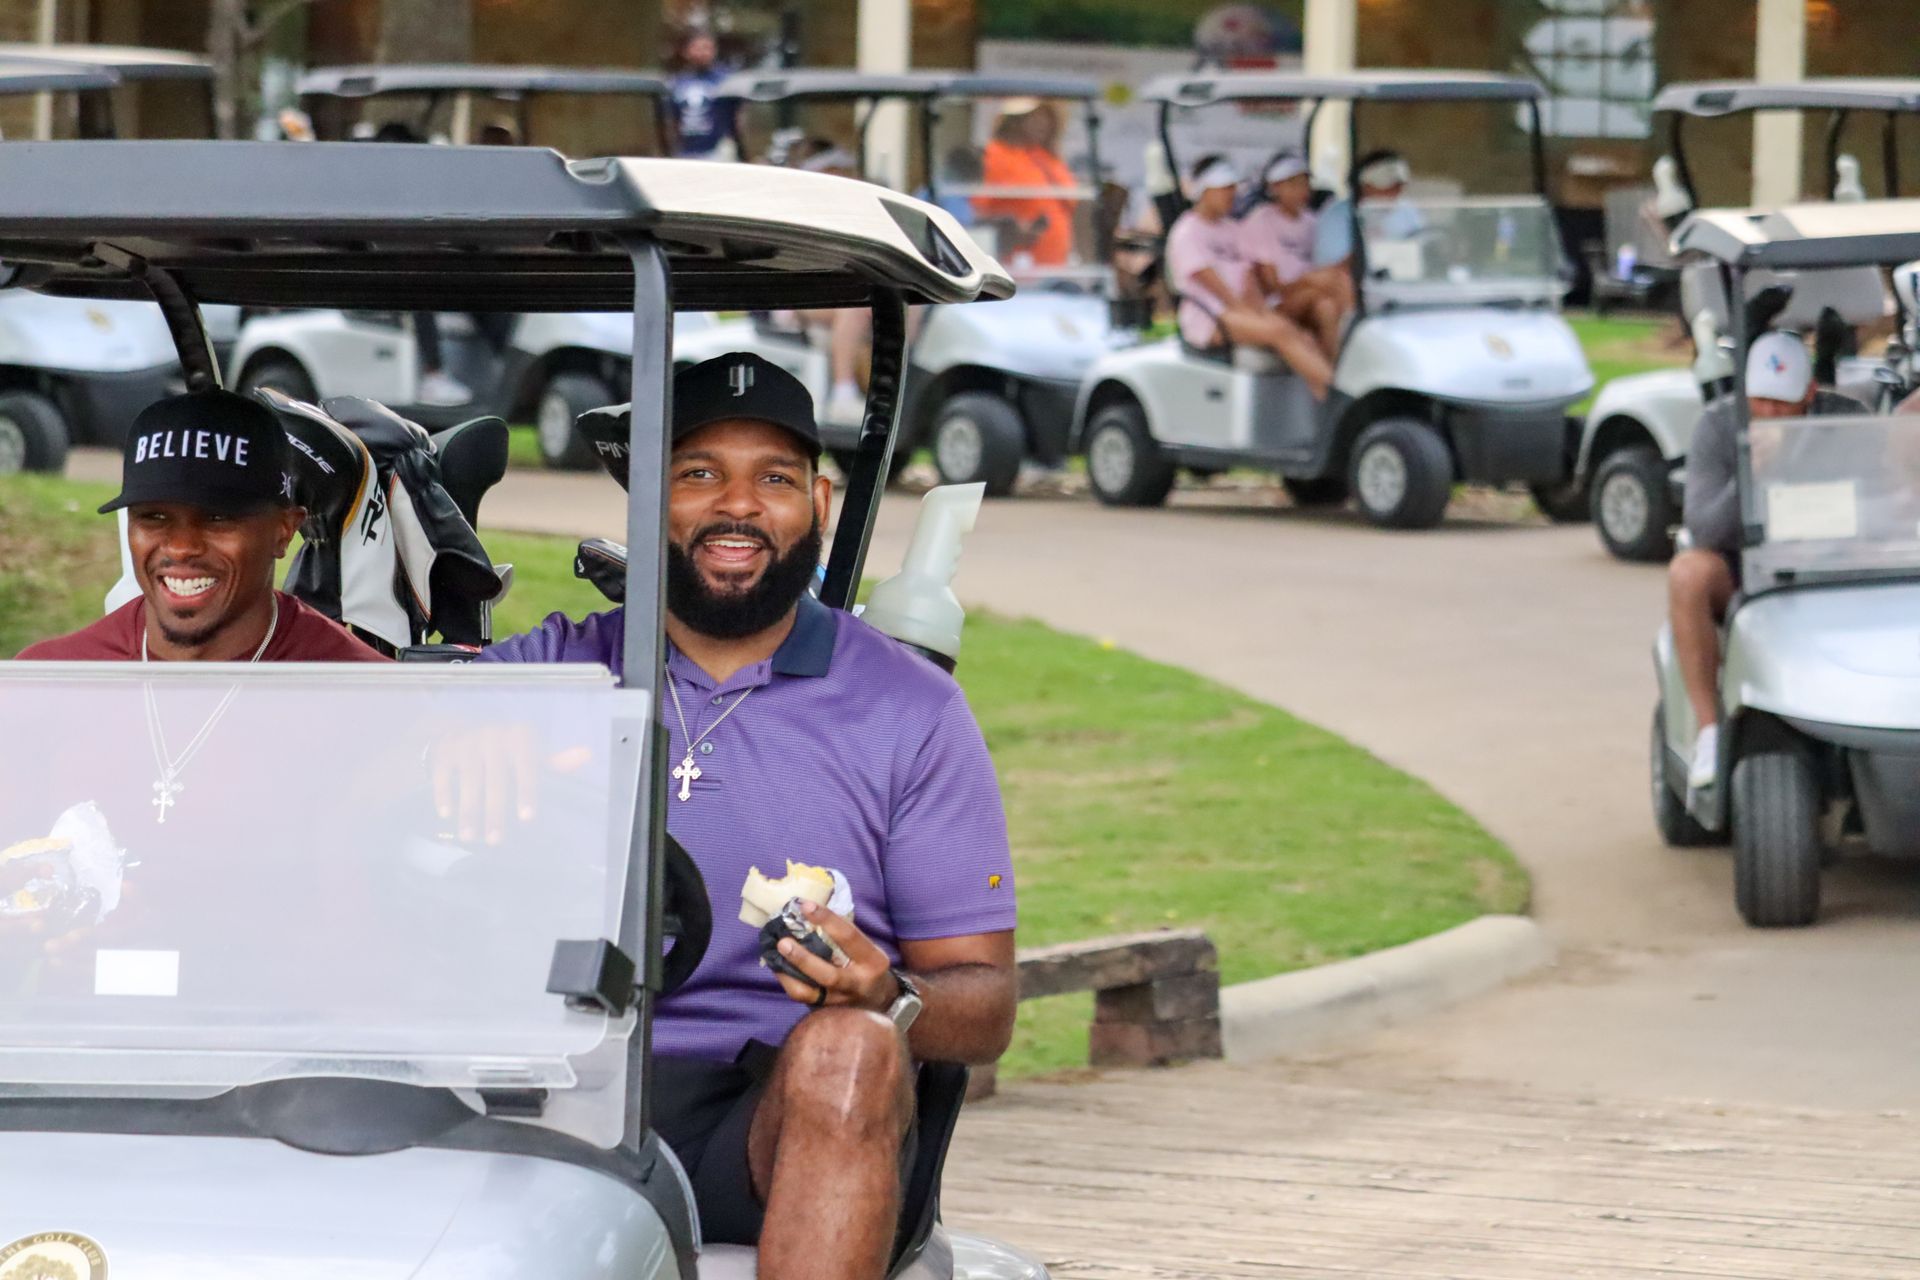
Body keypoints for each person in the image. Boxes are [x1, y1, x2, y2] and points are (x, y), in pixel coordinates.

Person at [471, 354, 1017, 1278]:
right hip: (550, 1104)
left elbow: (986, 1004)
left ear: (821, 501)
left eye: (773, 478)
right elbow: (371, 790)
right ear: (649, 497)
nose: (737, 506)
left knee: (849, 1049)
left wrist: (885, 999)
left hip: (773, 1122)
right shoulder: (555, 668)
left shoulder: (906, 708)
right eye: (698, 475)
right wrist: (458, 736)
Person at [15, 390, 387, 664]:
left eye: (218, 517)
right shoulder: (52, 681)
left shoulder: (359, 693)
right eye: (154, 517)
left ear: (284, 530)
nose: (180, 547)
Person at [1671, 331, 1863, 788]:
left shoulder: (1846, 421)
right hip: (1745, 566)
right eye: (1761, 401)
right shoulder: (1719, 426)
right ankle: (1710, 732)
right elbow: (1704, 526)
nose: (1770, 413)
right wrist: (1753, 476)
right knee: (1688, 572)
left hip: (1834, 563)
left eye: (1783, 403)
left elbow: (1874, 503)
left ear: (1810, 395)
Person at [1165, 156, 1333, 399]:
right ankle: (1334, 398)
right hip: (1209, 317)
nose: (1232, 194)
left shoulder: (1233, 229)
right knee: (1282, 331)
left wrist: (1262, 311)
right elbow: (1216, 288)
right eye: (1225, 189)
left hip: (1240, 310)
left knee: (1303, 335)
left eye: (1233, 188)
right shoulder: (1187, 232)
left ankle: (1319, 402)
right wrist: (1261, 317)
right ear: (1205, 191)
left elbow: (1249, 278)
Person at [1239, 151, 1351, 361]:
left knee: (1326, 308)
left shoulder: (1311, 221)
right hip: (1276, 304)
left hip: (1311, 296)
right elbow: (1272, 284)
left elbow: (1320, 262)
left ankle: (1334, 373)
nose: (1302, 191)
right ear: (1275, 188)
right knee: (1334, 283)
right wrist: (1311, 280)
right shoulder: (1262, 221)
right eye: (1293, 185)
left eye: (1304, 184)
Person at [973, 98, 1078, 269]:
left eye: (1047, 116)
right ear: (1014, 120)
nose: (1042, 123)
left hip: (1056, 267)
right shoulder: (993, 156)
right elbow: (976, 214)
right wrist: (1014, 228)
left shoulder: (1047, 157)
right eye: (1034, 116)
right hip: (1014, 267)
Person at [1312, 148, 1424, 269]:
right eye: (1388, 186)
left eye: (1398, 186)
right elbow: (1329, 266)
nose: (1395, 191)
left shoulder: (1407, 211)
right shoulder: (1335, 216)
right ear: (1365, 185)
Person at [669, 28, 736, 160]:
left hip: (717, 151)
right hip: (686, 151)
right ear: (686, 51)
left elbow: (737, 117)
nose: (702, 53)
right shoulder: (677, 82)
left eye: (707, 48)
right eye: (697, 48)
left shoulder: (725, 80)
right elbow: (671, 119)